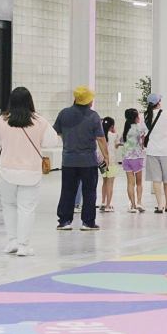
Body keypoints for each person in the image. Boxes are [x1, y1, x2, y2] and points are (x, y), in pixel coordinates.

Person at [0, 87, 59, 257]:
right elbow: (52, 141)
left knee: (9, 205)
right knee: (26, 208)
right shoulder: (39, 121)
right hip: (31, 172)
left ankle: (12, 242)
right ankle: (24, 245)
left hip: (7, 170)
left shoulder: (2, 121)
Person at [53, 86, 109, 231]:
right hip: (88, 160)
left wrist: (69, 139)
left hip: (68, 159)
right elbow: (101, 139)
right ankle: (88, 222)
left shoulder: (64, 113)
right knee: (89, 191)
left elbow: (56, 132)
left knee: (67, 190)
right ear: (88, 101)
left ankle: (65, 221)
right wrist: (106, 156)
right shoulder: (93, 116)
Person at [121, 108, 146, 212]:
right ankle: (139, 203)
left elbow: (122, 141)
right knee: (139, 182)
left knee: (130, 183)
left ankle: (132, 205)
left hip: (126, 158)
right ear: (136, 118)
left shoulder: (125, 129)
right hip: (136, 157)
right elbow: (143, 140)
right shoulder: (139, 128)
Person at [100, 117, 121, 213]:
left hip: (101, 161)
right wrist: (114, 132)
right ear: (112, 126)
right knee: (110, 183)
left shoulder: (100, 135)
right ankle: (108, 205)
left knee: (104, 182)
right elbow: (117, 145)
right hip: (111, 161)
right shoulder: (113, 135)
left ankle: (103, 202)